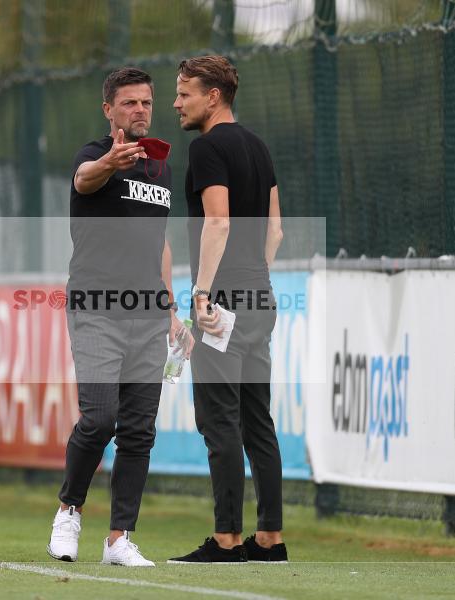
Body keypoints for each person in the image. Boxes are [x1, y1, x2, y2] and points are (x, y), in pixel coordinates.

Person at [47, 67, 191, 568]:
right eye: (129, 102)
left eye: (146, 102)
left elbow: (161, 243)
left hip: (148, 313)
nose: (140, 110)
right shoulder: (92, 156)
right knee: (100, 418)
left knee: (138, 430)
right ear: (109, 109)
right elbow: (84, 179)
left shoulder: (161, 167)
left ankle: (119, 539)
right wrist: (111, 160)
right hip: (97, 308)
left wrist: (171, 310)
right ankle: (69, 510)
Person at [168, 56, 287, 564]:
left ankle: (227, 540)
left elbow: (218, 222)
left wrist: (202, 294)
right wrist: (254, 279)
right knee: (258, 422)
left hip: (221, 304)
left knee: (219, 423)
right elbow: (275, 230)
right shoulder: (258, 147)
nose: (176, 103)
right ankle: (270, 539)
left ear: (212, 96)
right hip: (260, 297)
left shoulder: (207, 148)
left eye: (184, 93)